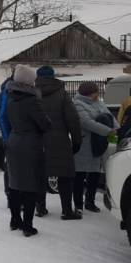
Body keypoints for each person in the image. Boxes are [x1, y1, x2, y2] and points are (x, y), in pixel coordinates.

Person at [6, 65, 52, 237]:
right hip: (30, 145)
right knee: (31, 186)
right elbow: (44, 124)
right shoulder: (32, 100)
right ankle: (28, 226)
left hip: (14, 141)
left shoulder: (11, 98)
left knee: (15, 184)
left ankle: (15, 220)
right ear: (28, 81)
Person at [36, 66, 82, 220]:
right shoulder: (62, 93)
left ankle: (40, 208)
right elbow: (73, 119)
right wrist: (76, 141)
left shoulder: (32, 93)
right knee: (65, 176)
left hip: (38, 141)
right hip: (60, 140)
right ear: (53, 76)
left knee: (40, 174)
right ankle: (67, 211)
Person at [73, 82, 119, 213]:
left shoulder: (99, 102)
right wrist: (108, 131)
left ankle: (90, 202)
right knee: (80, 176)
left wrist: (116, 129)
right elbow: (86, 122)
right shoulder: (77, 104)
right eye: (96, 91)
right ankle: (78, 205)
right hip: (84, 145)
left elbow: (109, 117)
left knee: (94, 174)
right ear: (89, 93)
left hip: (98, 145)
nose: (98, 94)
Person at [0, 75, 13, 205]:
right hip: (11, 137)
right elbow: (2, 117)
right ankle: (10, 196)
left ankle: (11, 195)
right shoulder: (7, 91)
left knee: (11, 167)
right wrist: (7, 137)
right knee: (11, 167)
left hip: (10, 136)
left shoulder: (5, 90)